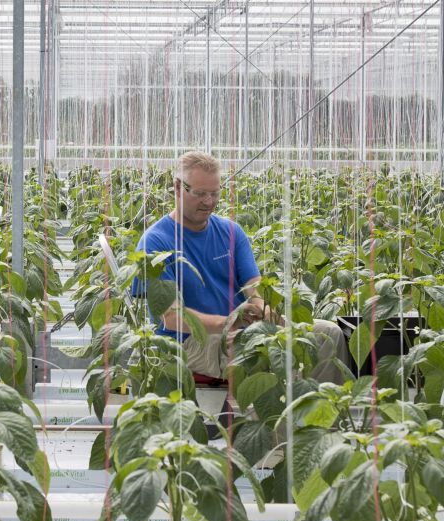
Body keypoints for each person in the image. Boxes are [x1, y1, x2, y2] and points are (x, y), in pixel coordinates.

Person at [134, 151, 349, 384]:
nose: (209, 202)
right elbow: (172, 318)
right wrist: (228, 324)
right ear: (177, 187)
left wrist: (263, 310)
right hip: (188, 340)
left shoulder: (231, 232)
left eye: (215, 193)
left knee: (328, 334)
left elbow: (253, 288)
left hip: (240, 330)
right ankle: (265, 416)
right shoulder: (155, 242)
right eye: (200, 193)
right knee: (257, 351)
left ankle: (319, 412)